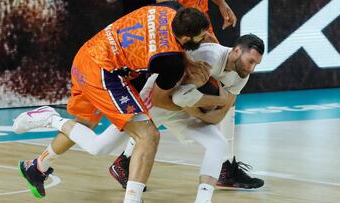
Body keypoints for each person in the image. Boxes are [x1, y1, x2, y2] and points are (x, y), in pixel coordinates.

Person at [14, 34, 264, 203]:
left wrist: (200, 106)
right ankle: (51, 119)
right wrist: (199, 104)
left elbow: (221, 111)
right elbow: (167, 98)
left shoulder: (242, 74)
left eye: (256, 64)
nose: (251, 68)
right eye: (250, 61)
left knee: (218, 143)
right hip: (152, 101)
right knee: (99, 148)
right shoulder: (206, 57)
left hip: (185, 110)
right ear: (237, 50)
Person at [13, 3, 214, 203]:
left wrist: (189, 61)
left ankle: (38, 166)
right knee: (148, 135)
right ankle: (50, 119)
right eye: (201, 36)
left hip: (87, 55)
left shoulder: (168, 10)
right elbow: (158, 100)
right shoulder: (171, 62)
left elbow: (168, 40)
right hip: (104, 72)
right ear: (186, 37)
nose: (205, 38)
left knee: (83, 126)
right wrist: (189, 106)